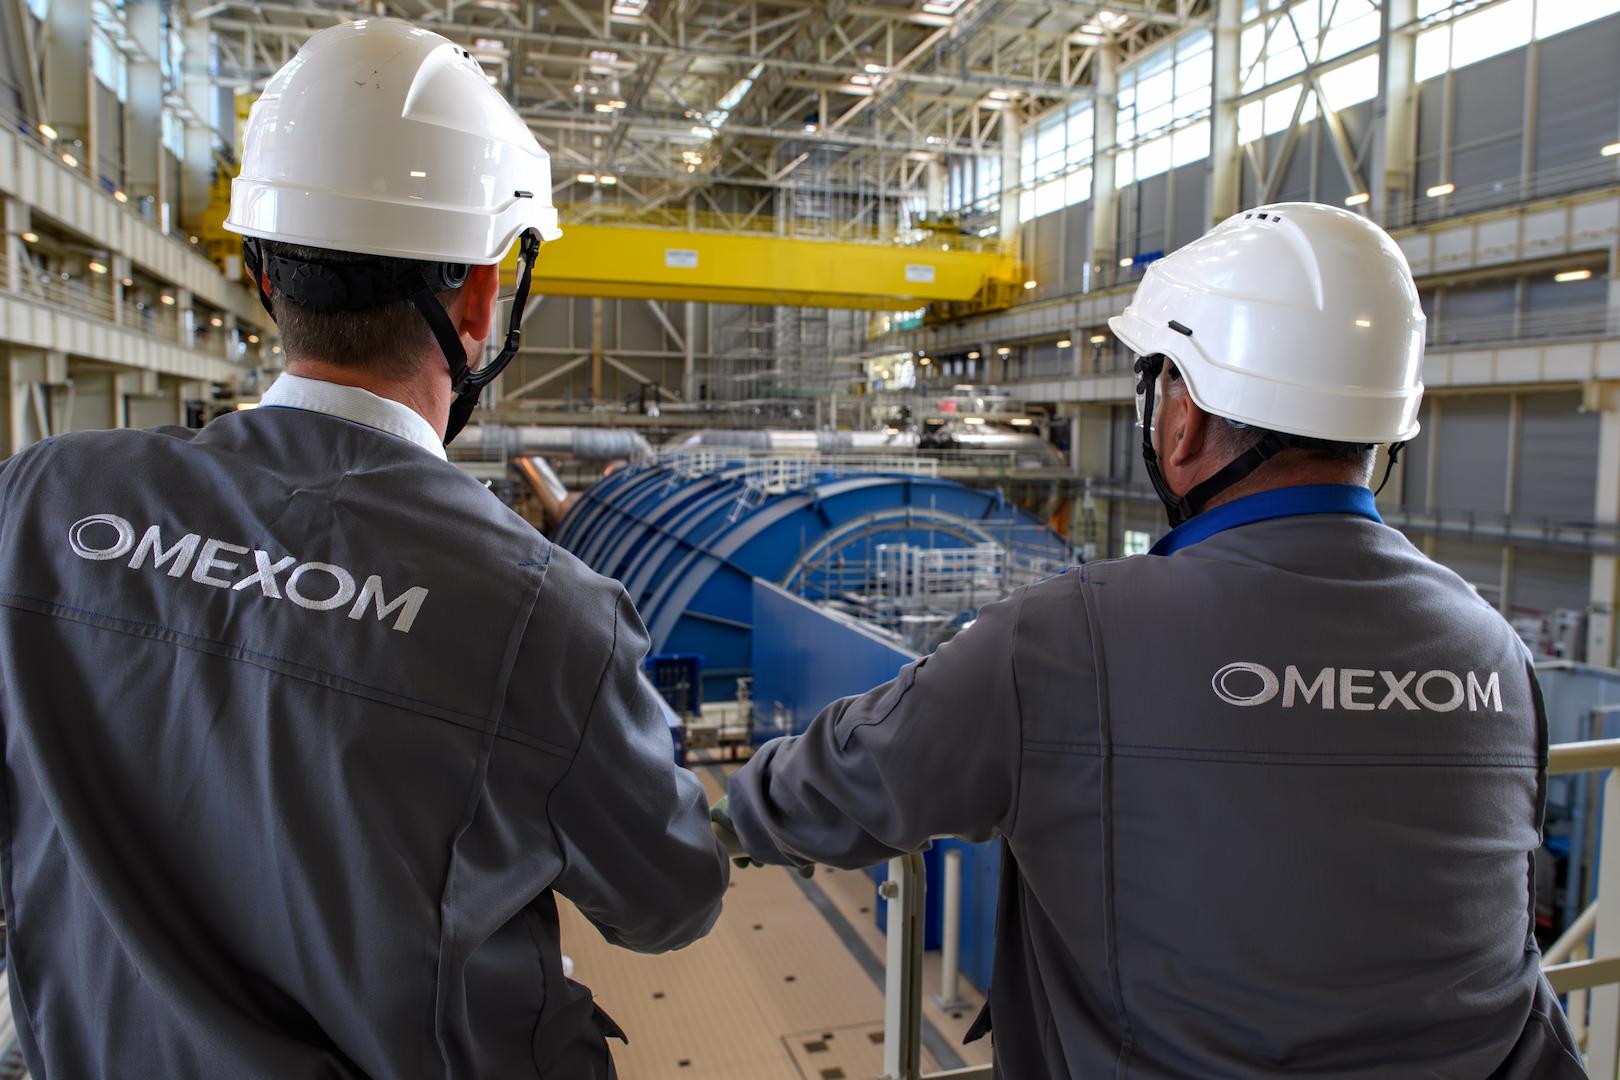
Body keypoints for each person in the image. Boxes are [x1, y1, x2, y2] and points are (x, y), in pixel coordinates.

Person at [0, 19, 726, 1079]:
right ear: (480, 300)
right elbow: (670, 900)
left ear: (260, 274)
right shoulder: (541, 610)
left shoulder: (43, 501)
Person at [715, 203, 1586, 1078]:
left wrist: (706, 817)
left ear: (1183, 422)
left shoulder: (1070, 636)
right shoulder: (1493, 652)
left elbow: (845, 782)